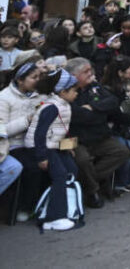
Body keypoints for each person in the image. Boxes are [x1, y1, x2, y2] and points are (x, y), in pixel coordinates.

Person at [64, 57, 130, 208]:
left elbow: (112, 102)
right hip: (73, 138)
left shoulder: (94, 86)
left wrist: (93, 107)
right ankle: (93, 191)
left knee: (122, 151)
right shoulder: (66, 90)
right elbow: (76, 115)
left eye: (90, 70)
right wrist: (99, 112)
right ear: (74, 76)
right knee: (82, 160)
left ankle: (87, 183)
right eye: (85, 71)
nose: (90, 73)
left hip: (99, 136)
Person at [28, 69, 80, 231]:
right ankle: (54, 216)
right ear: (63, 91)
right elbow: (40, 133)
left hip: (54, 146)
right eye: (74, 91)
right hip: (42, 147)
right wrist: (41, 157)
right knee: (60, 175)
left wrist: (67, 147)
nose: (76, 94)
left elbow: (59, 130)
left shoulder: (62, 104)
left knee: (71, 169)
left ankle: (66, 207)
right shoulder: (52, 107)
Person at [1, 62, 43, 220]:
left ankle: (43, 203)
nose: (38, 80)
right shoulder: (4, 98)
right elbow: (2, 129)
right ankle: (24, 207)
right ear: (20, 80)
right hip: (12, 145)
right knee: (33, 167)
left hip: (33, 141)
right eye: (34, 77)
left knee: (52, 159)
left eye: (39, 77)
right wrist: (27, 120)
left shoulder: (37, 95)